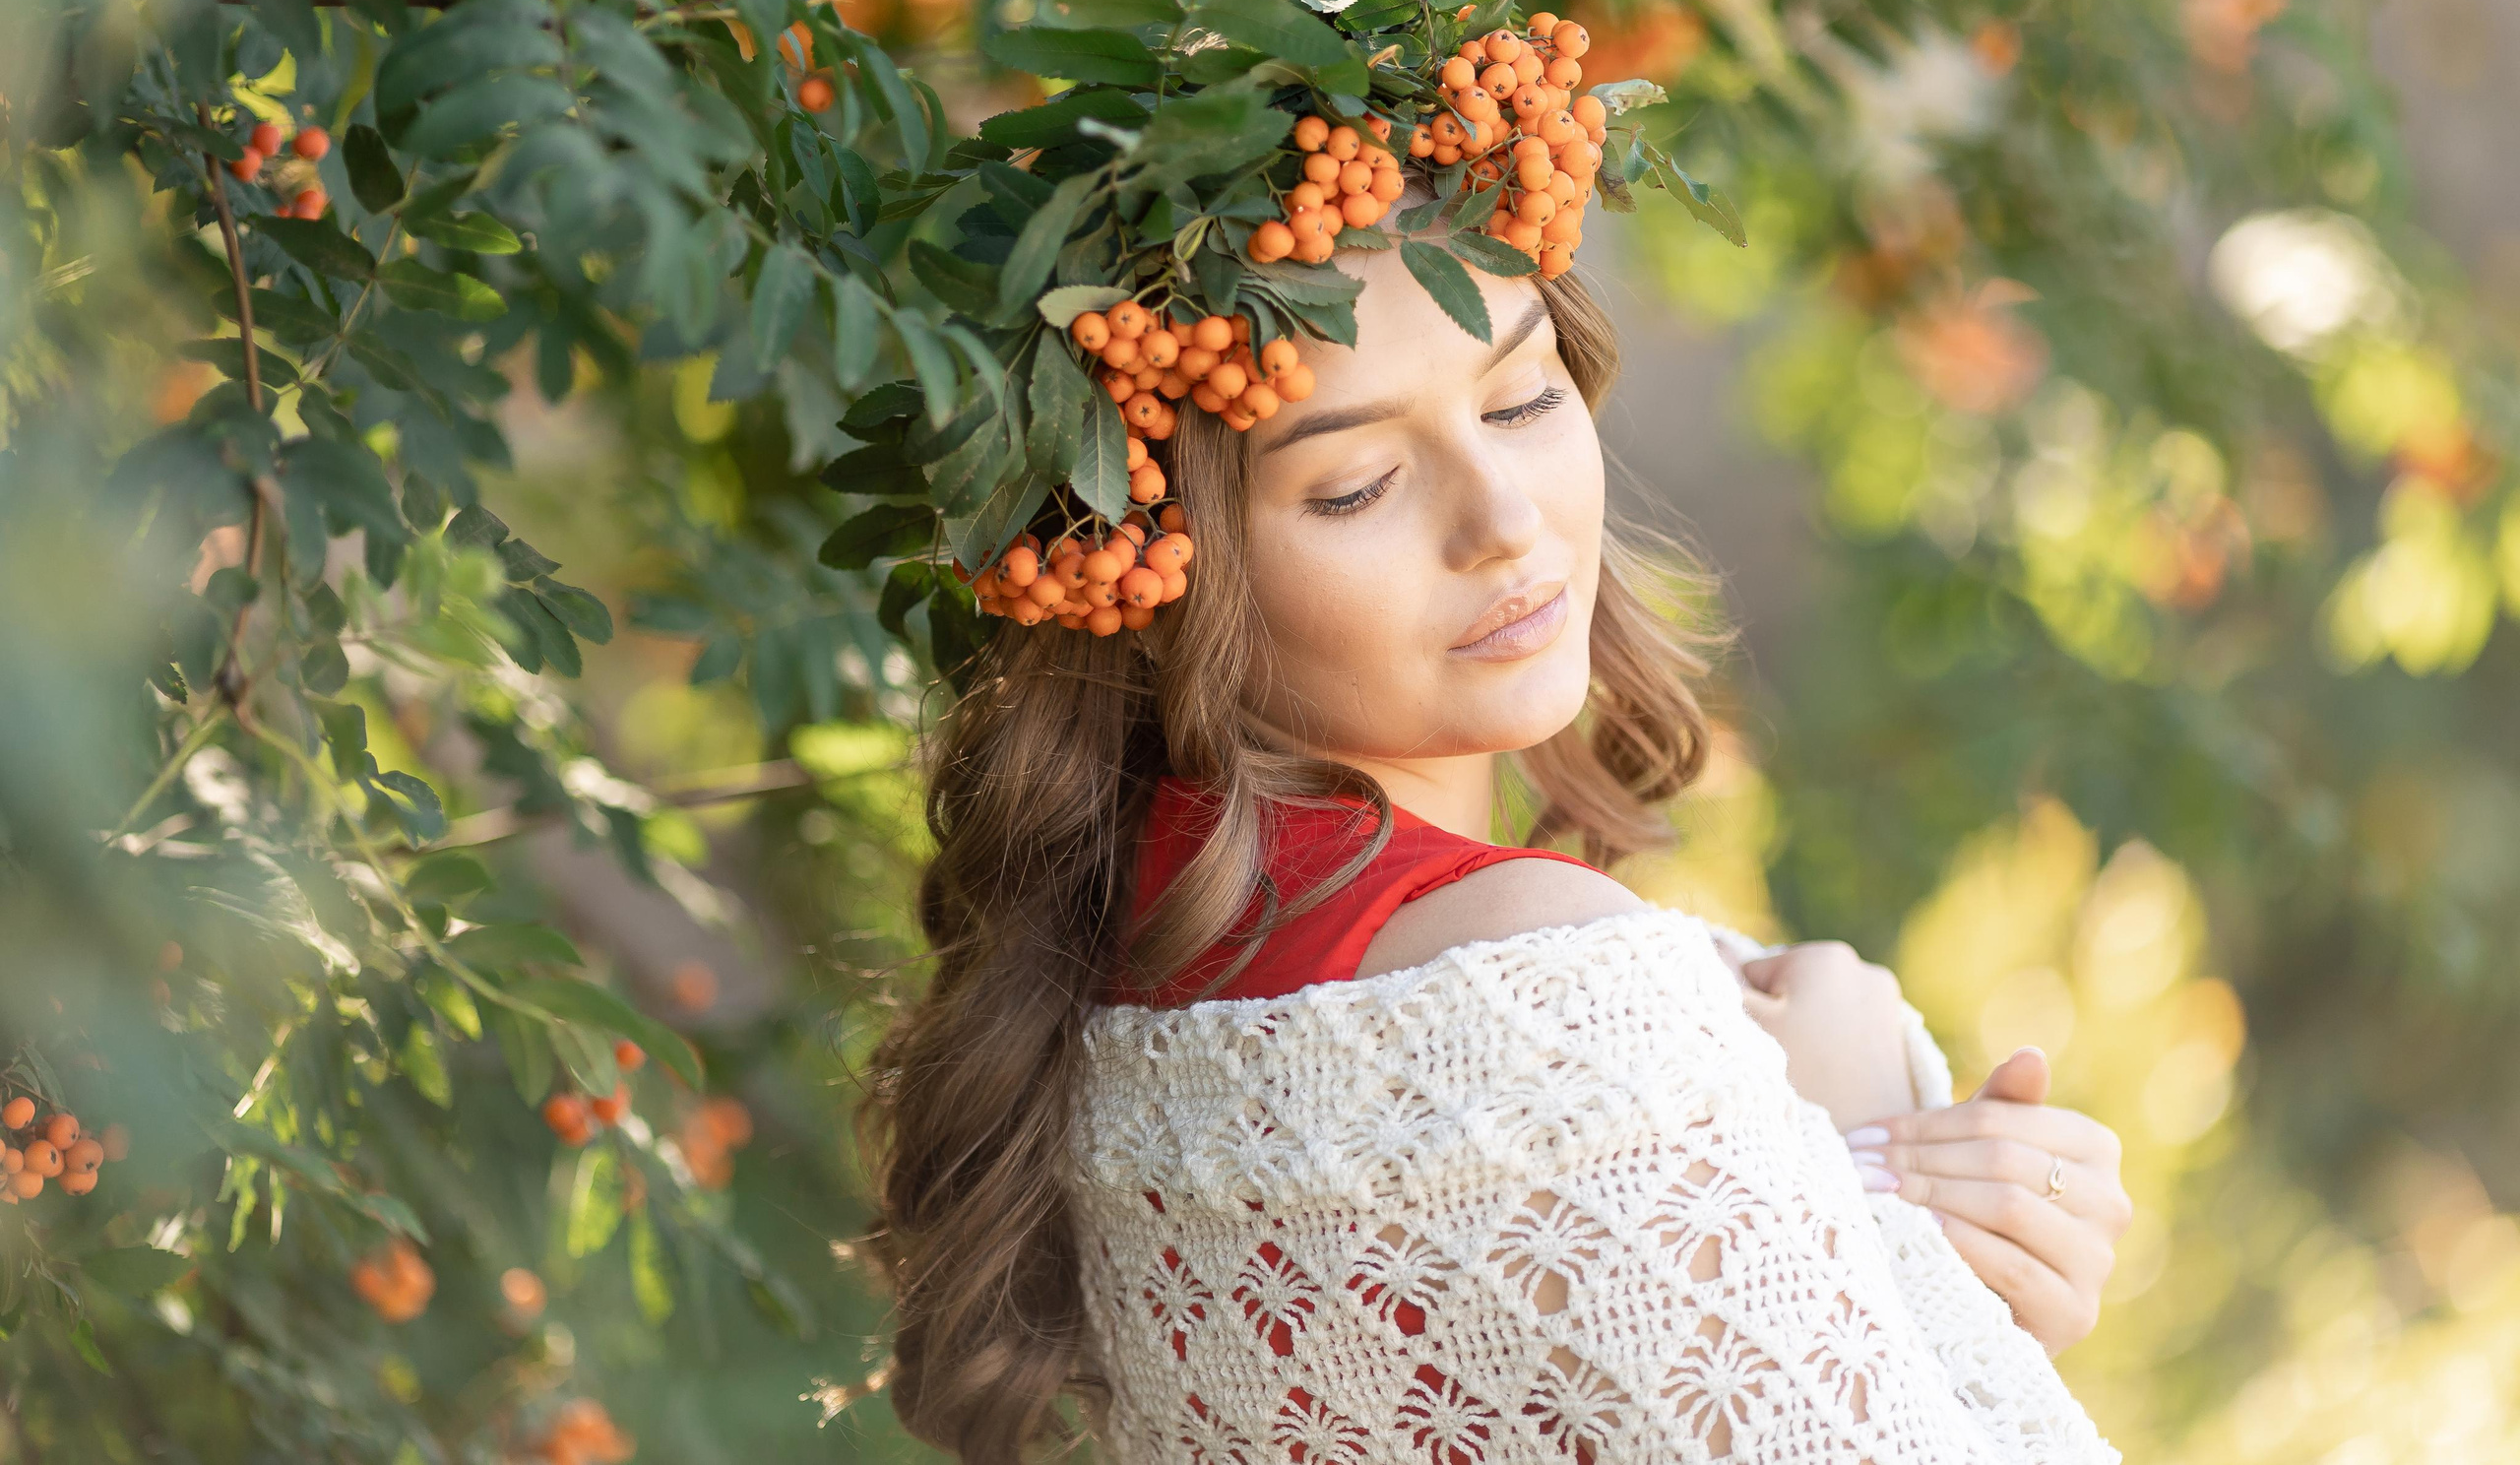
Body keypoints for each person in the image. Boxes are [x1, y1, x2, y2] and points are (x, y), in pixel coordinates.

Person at [860, 220, 2131, 1463]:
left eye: (1521, 399)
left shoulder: (1141, 972)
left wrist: (1949, 1251)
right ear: (1157, 576)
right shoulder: (1531, 999)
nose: (1503, 518)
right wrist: (1873, 1142)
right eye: (1356, 485)